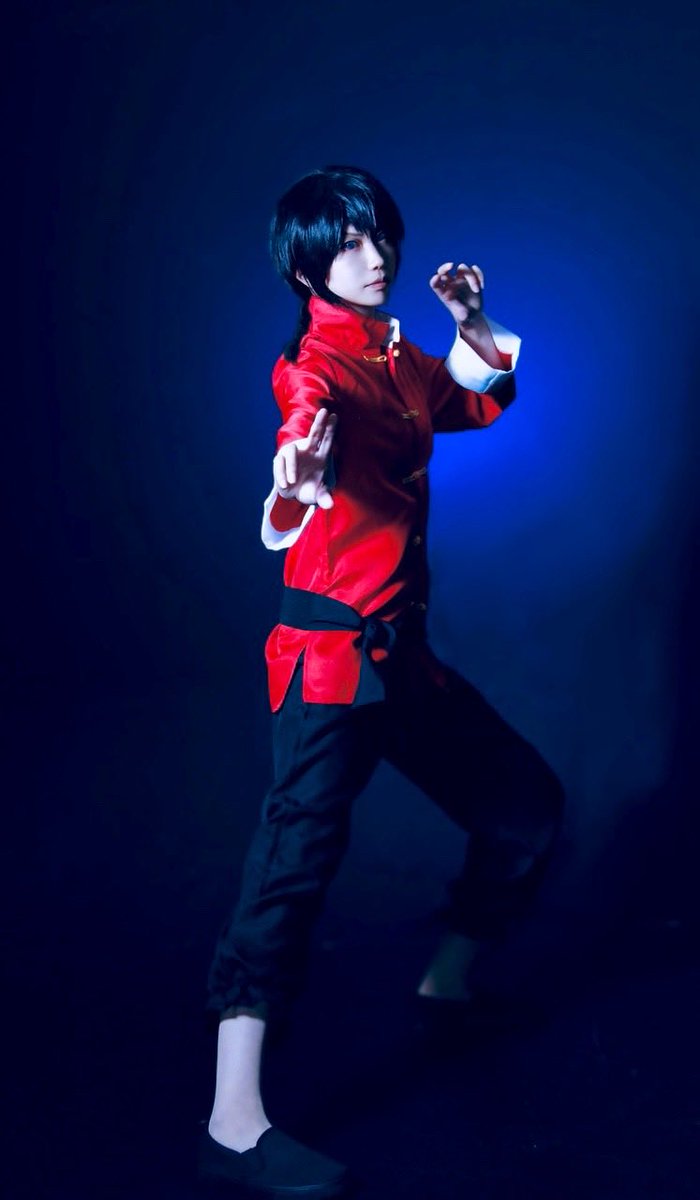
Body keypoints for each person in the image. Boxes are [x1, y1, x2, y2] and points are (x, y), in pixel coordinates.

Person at [198, 165, 565, 1196]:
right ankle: (231, 1122)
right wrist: (294, 483)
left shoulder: (396, 354)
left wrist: (473, 323)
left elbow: (476, 402)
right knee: (290, 871)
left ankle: (444, 988)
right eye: (349, 243)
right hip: (329, 667)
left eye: (378, 235)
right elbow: (297, 439)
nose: (374, 255)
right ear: (306, 267)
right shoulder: (312, 367)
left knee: (524, 807)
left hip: (402, 658)